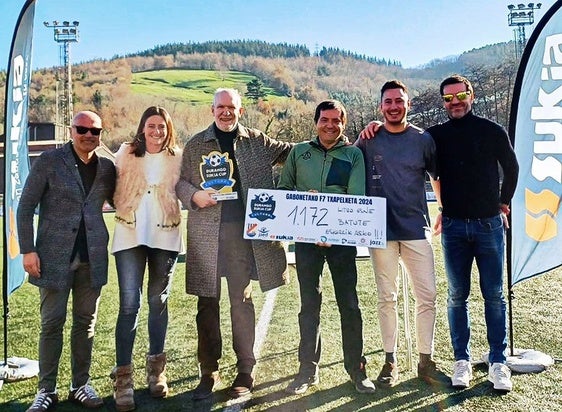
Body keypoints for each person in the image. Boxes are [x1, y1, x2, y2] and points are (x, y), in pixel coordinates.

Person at [361, 74, 519, 392]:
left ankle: (489, 362)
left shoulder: (473, 132)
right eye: (448, 98)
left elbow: (508, 168)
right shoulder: (406, 137)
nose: (455, 102)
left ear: (471, 95)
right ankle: (441, 361)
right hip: (427, 229)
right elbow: (432, 175)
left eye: (460, 96)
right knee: (449, 297)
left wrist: (500, 203)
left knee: (489, 296)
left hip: (474, 225)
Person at [175, 88, 292, 400]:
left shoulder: (257, 140)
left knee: (241, 303)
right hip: (206, 237)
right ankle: (208, 370)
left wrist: (340, 141)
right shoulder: (196, 143)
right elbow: (181, 182)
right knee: (206, 305)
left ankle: (245, 368)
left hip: (244, 238)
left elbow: (295, 152)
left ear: (241, 110)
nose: (225, 112)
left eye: (231, 107)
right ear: (212, 110)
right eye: (220, 107)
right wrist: (192, 196)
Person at [17, 111, 116, 412]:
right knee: (51, 324)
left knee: (85, 324)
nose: (89, 135)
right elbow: (25, 207)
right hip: (52, 257)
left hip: (93, 258)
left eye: (95, 131)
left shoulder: (107, 167)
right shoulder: (49, 161)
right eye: (83, 129)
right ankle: (46, 389)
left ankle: (80, 384)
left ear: (101, 134)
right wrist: (28, 250)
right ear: (72, 130)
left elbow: (126, 199)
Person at [278, 99, 376, 395]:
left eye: (336, 120)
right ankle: (307, 370)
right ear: (316, 121)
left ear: (344, 123)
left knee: (349, 304)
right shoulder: (299, 152)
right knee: (309, 305)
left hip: (341, 241)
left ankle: (356, 370)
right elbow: (284, 191)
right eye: (325, 120)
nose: (330, 125)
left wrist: (332, 228)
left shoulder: (353, 155)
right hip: (306, 241)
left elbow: (356, 197)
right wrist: (302, 199)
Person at [355, 80, 445, 388]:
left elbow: (437, 176)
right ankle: (390, 360)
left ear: (407, 104)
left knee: (428, 296)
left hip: (415, 228)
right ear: (381, 106)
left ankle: (426, 360)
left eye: (399, 101)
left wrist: (443, 209)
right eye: (388, 101)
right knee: (386, 297)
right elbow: (349, 170)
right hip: (380, 231)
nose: (394, 106)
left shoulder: (423, 139)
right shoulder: (368, 139)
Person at [110, 106, 184, 411]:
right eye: (151, 126)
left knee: (158, 300)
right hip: (130, 234)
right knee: (130, 303)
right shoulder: (125, 152)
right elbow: (105, 179)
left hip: (165, 236)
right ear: (142, 128)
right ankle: (123, 377)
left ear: (168, 130)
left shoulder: (178, 156)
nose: (156, 131)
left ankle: (156, 370)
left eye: (162, 127)